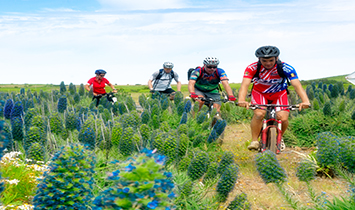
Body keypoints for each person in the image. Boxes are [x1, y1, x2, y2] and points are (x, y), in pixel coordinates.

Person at [237, 46, 310, 150]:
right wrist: (241, 100)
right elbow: (244, 85)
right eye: (264, 61)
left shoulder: (286, 68)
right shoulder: (252, 68)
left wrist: (305, 101)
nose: (268, 63)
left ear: (277, 58)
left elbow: (297, 85)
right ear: (259, 59)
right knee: (259, 114)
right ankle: (254, 141)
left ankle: (280, 136)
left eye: (271, 60)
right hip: (260, 93)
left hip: (279, 94)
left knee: (283, 118)